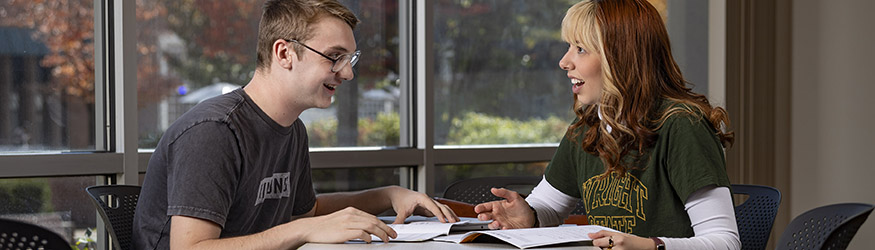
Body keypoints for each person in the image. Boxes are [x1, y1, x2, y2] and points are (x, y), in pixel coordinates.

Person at [132, 0, 458, 249]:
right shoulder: (215, 131)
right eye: (334, 57)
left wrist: (388, 194)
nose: (347, 73)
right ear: (284, 54)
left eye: (350, 59)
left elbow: (307, 212)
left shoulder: (291, 129)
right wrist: (302, 231)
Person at [474, 0, 741, 249]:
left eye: (580, 49)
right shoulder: (586, 129)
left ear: (620, 57)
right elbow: (548, 206)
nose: (564, 62)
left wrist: (648, 246)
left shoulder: (681, 125)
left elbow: (725, 241)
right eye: (569, 47)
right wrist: (528, 216)